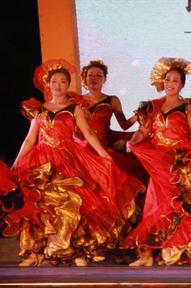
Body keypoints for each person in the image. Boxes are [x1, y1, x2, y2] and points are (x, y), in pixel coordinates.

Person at [7, 60, 142, 266]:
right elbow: (29, 139)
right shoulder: (39, 109)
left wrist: (103, 155)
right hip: (41, 160)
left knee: (74, 203)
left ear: (68, 85)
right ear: (48, 84)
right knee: (42, 206)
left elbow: (88, 133)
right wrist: (16, 163)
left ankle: (75, 251)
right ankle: (36, 253)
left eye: (63, 82)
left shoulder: (75, 108)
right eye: (55, 81)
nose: (58, 85)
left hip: (67, 158)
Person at [125, 58, 191, 266]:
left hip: (180, 160)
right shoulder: (154, 106)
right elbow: (144, 130)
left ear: (182, 84)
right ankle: (147, 254)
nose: (170, 83)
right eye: (167, 79)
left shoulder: (186, 106)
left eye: (175, 80)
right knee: (154, 206)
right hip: (159, 161)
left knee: (178, 203)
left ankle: (175, 248)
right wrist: (133, 142)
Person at [77, 60, 145, 182]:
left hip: (104, 145)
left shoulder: (112, 100)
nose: (94, 79)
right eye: (90, 75)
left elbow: (124, 125)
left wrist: (138, 115)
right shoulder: (76, 101)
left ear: (104, 79)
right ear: (85, 78)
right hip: (82, 146)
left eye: (98, 75)